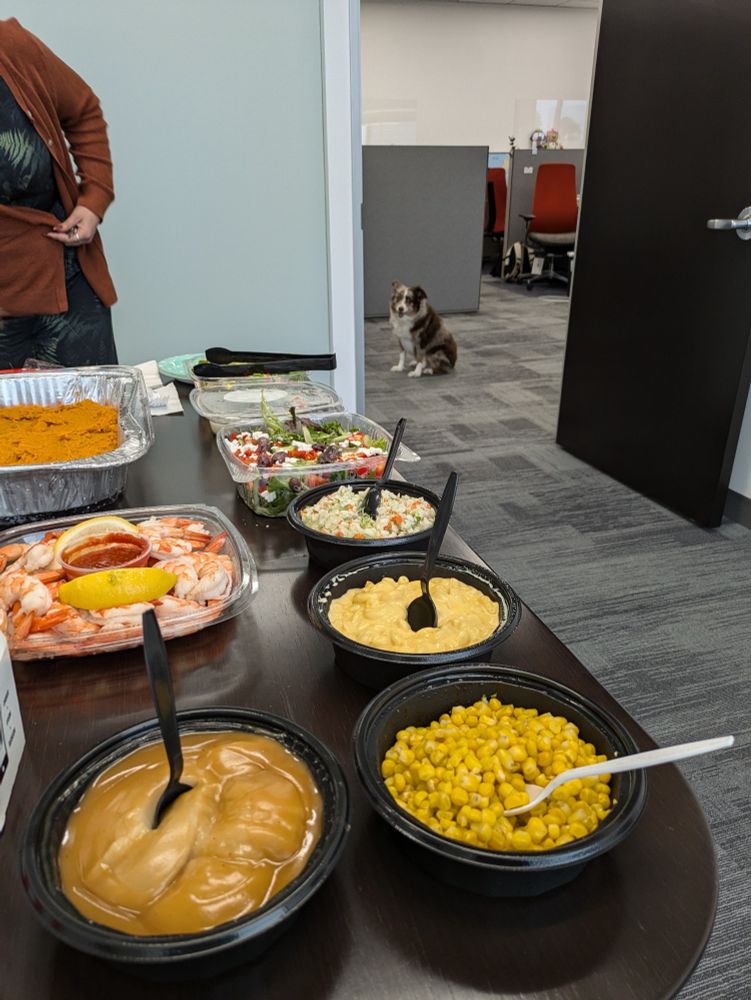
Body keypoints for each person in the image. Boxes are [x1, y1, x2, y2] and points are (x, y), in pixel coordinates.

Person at [0, 17, 118, 368]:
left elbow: (83, 110)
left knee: (92, 413)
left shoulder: (12, 47)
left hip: (64, 277)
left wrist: (94, 200)